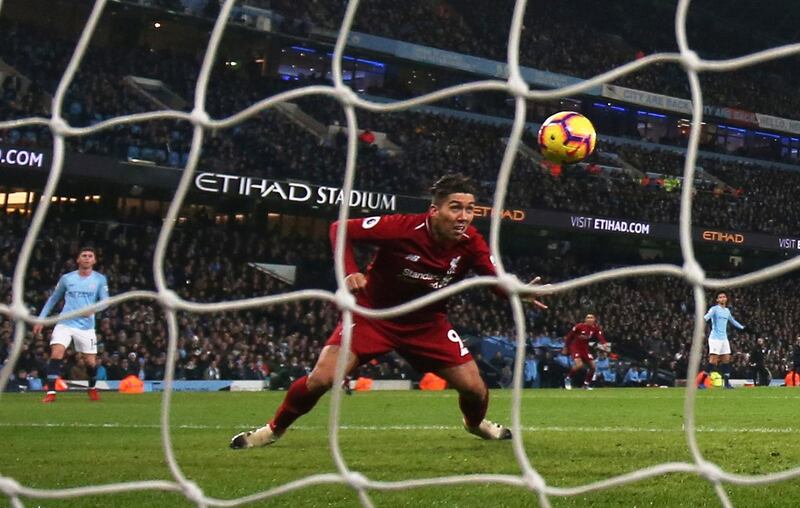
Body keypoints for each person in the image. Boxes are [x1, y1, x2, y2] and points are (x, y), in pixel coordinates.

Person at [230, 173, 547, 449]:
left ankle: (475, 424)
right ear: (434, 210)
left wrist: (518, 292)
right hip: (373, 316)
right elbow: (341, 228)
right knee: (322, 378)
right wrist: (350, 270)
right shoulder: (401, 228)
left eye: (469, 209)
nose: (464, 216)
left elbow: (495, 281)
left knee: (475, 388)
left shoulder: (470, 241)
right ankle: (272, 431)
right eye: (456, 207)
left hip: (427, 324)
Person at [34, 246, 109, 403]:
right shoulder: (67, 279)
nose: (87, 258)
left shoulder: (99, 279)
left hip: (86, 327)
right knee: (56, 353)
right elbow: (53, 299)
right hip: (65, 323)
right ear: (78, 259)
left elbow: (105, 302)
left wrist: (94, 309)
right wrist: (41, 318)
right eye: (84, 255)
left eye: (90, 256)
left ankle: (92, 388)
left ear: (94, 260)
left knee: (90, 363)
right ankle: (51, 393)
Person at [697, 291, 744, 389]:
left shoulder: (727, 311)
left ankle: (726, 384)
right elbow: (706, 317)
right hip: (715, 339)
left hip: (724, 339)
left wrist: (743, 328)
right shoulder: (714, 309)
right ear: (717, 300)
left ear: (726, 299)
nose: (722, 298)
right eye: (720, 297)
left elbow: (732, 321)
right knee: (713, 361)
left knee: (726, 360)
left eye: (724, 297)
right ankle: (701, 382)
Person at [562, 314, 608, 390]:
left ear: (594, 320)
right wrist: (566, 347)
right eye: (588, 318)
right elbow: (569, 336)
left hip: (585, 349)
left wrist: (604, 343)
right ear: (585, 319)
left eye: (591, 318)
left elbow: (600, 336)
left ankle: (586, 384)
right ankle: (567, 378)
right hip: (575, 347)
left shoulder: (595, 328)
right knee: (579, 365)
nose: (590, 319)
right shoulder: (579, 326)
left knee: (593, 367)